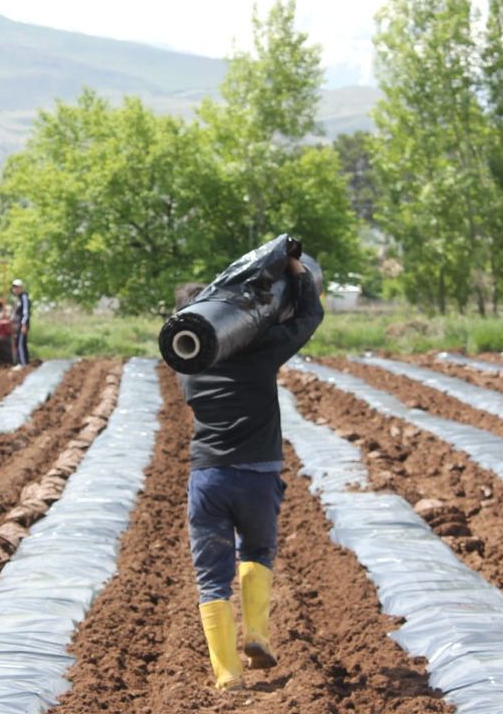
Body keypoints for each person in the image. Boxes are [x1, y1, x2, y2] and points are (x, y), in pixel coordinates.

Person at [178, 255, 323, 692]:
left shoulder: (189, 367)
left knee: (211, 578)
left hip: (209, 480)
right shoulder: (259, 354)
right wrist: (296, 274)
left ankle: (227, 675)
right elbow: (310, 316)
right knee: (257, 551)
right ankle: (256, 634)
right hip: (258, 476)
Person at [10, 278, 31, 369]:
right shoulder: (18, 298)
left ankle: (22, 363)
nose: (15, 289)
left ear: (21, 288)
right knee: (19, 342)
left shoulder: (24, 297)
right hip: (18, 324)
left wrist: (24, 324)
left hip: (22, 324)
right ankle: (23, 362)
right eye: (14, 287)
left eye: (16, 287)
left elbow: (26, 312)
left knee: (20, 343)